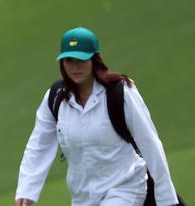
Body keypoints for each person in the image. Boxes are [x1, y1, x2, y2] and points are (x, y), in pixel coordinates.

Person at [15, 27, 180, 206]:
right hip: (82, 197)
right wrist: (26, 190)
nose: (75, 66)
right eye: (69, 60)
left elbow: (149, 142)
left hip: (125, 187)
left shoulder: (120, 92)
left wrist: (166, 198)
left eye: (81, 59)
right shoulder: (55, 98)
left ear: (94, 60)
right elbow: (39, 144)